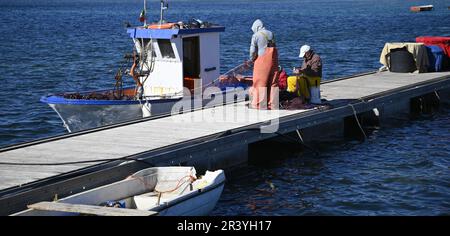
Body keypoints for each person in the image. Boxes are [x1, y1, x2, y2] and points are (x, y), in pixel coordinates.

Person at [248, 19, 279, 109]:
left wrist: (252, 59)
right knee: (273, 83)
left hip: (262, 61)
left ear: (257, 27)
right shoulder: (271, 34)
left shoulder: (256, 35)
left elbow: (252, 51)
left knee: (260, 82)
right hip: (274, 60)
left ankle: (259, 104)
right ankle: (273, 104)